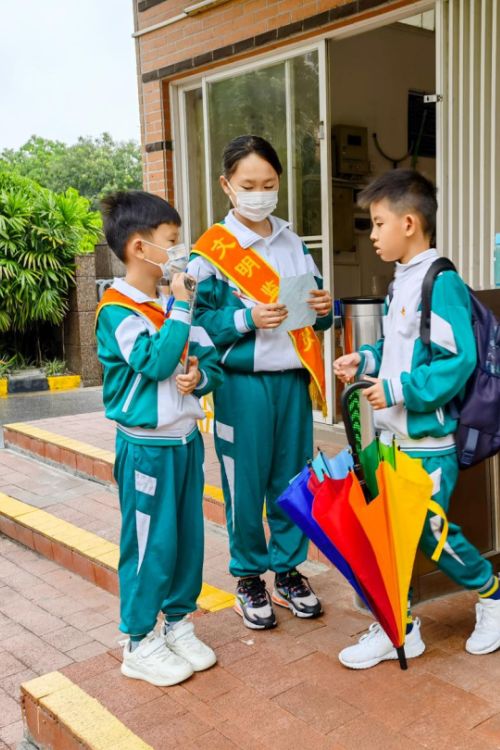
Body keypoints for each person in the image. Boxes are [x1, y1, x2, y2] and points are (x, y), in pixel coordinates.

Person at [333, 169, 500, 669]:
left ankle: (496, 592)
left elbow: (456, 359)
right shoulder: (403, 280)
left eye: (378, 224)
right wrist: (367, 362)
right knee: (392, 538)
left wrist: (396, 390)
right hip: (397, 439)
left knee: (431, 537)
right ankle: (401, 627)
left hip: (428, 441)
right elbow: (401, 350)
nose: (372, 235)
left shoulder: (440, 283)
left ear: (410, 222)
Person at [188, 135, 333, 631]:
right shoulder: (211, 253)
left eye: (268, 184)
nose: (260, 193)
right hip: (241, 385)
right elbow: (195, 322)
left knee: (294, 482)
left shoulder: (294, 243)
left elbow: (316, 313)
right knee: (244, 485)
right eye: (248, 185)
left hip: (292, 380)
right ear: (227, 186)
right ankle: (249, 576)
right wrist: (247, 318)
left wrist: (324, 309)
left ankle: (289, 570)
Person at [96, 191, 222, 686]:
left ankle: (177, 624)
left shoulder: (171, 306)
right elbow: (155, 361)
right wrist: (181, 311)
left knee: (187, 541)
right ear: (138, 247)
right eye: (172, 243)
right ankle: (138, 639)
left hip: (186, 441)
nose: (181, 253)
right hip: (146, 448)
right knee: (150, 545)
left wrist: (200, 378)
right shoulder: (117, 311)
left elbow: (205, 360)